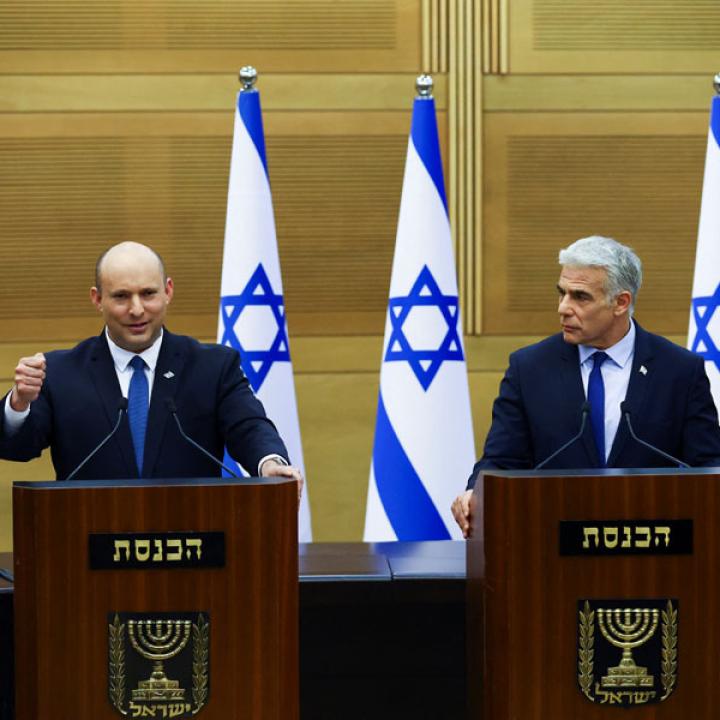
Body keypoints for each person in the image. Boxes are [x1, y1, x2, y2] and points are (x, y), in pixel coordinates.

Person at [452, 235, 720, 537]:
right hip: (551, 545)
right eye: (562, 293)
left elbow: (708, 466)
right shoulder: (529, 369)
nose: (563, 308)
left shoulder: (679, 371)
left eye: (580, 297)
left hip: (654, 552)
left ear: (621, 302)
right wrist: (475, 493)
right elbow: (501, 460)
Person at [0, 241, 303, 497]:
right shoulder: (61, 372)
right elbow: (19, 447)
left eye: (148, 293)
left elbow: (249, 427)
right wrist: (19, 403)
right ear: (97, 299)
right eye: (121, 296)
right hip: (88, 546)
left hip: (192, 543)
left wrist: (269, 462)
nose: (136, 310)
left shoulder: (214, 367)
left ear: (168, 291)